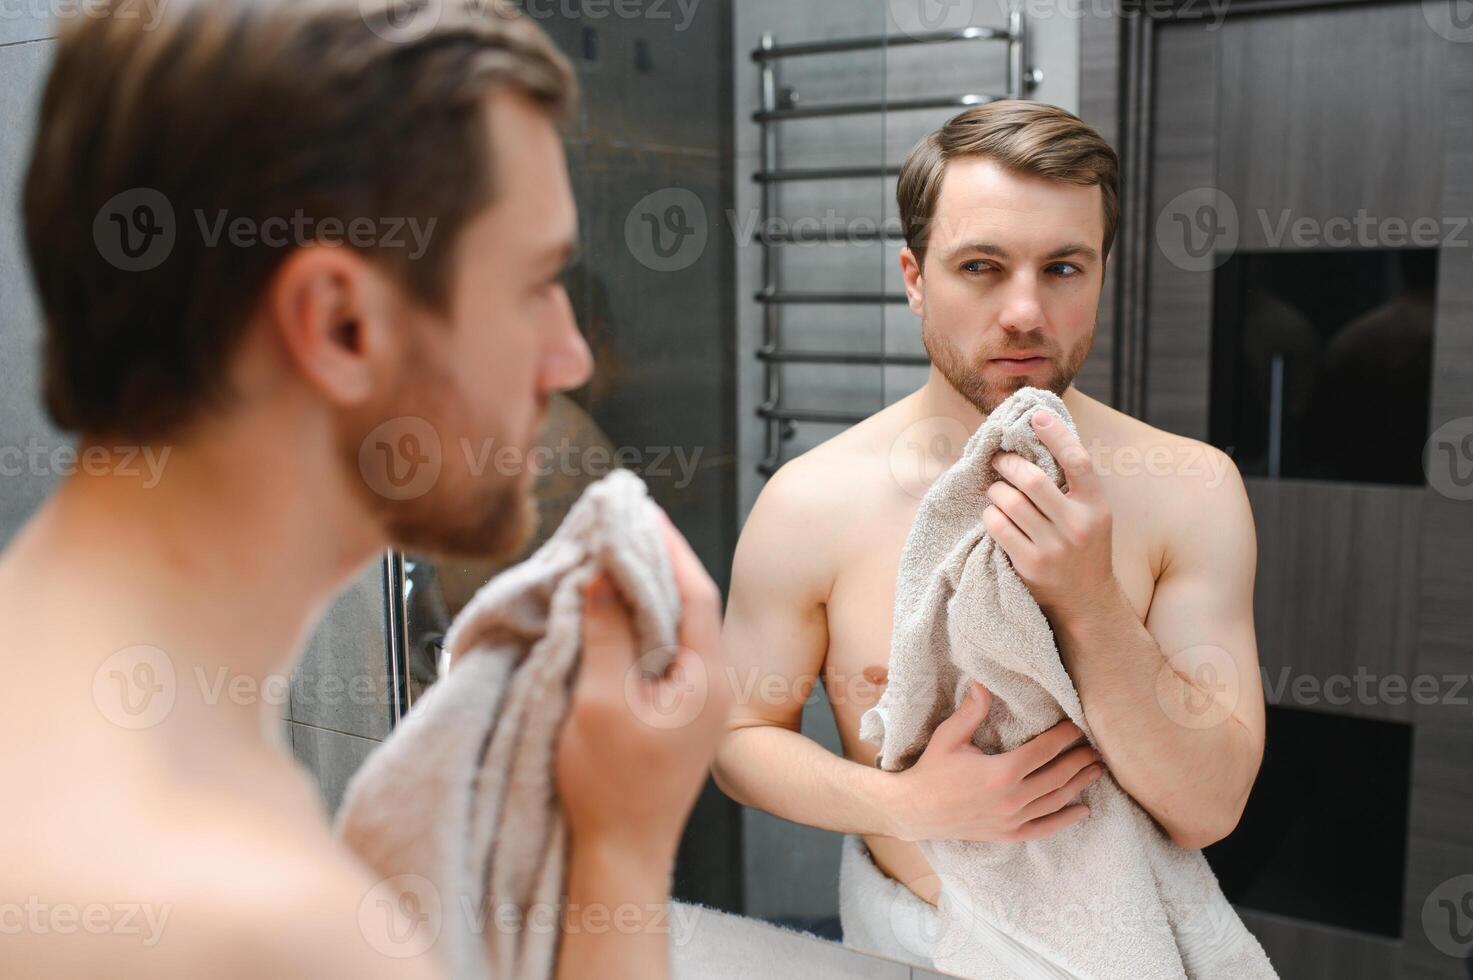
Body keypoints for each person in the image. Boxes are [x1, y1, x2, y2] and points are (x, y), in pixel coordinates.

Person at [0, 1, 728, 977]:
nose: (571, 353)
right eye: (531, 284)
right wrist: (623, 848)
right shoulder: (238, 916)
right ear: (342, 325)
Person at [714, 101, 1265, 912]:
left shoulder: (1192, 488)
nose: (1024, 313)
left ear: (1101, 275)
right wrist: (906, 806)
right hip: (910, 947)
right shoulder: (810, 502)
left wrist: (1089, 600)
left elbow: (1209, 807)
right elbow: (736, 739)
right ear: (914, 279)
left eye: (1063, 268)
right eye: (980, 267)